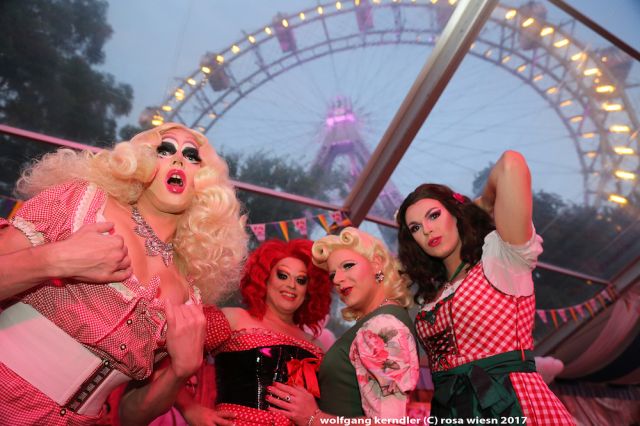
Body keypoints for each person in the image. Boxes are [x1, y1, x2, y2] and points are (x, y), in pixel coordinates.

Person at [0, 122, 247, 425]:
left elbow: (131, 415)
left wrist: (180, 371)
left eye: (192, 156)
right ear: (139, 161)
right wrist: (54, 260)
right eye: (165, 149)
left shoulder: (188, 295)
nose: (178, 159)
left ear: (204, 182)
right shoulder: (82, 203)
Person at [395, 151, 574, 424]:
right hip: (451, 410)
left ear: (455, 214)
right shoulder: (435, 292)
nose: (427, 230)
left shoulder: (501, 259)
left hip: (509, 403)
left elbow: (511, 163)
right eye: (416, 227)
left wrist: (477, 207)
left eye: (434, 215)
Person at [172, 239, 332, 426]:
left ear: (309, 289)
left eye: (301, 280)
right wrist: (190, 409)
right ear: (265, 279)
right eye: (283, 275)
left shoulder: (317, 346)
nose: (291, 285)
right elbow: (166, 358)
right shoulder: (234, 319)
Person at [268, 227, 419, 425]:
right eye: (332, 275)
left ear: (376, 264)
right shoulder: (378, 320)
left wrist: (314, 418)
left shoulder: (383, 325)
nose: (338, 280)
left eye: (347, 266)